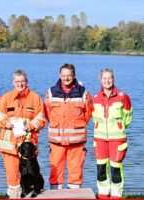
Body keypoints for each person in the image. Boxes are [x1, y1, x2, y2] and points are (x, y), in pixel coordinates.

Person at [0, 69, 46, 198]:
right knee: (12, 176)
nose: (20, 84)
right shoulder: (6, 98)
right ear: (13, 82)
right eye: (17, 81)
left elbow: (41, 119)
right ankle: (14, 196)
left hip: (28, 147)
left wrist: (30, 125)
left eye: (22, 81)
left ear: (27, 82)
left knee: (31, 175)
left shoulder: (35, 98)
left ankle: (31, 194)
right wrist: (5, 123)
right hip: (10, 145)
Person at [44, 63, 92, 189]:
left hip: (76, 140)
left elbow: (88, 113)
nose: (66, 78)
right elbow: (47, 113)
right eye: (64, 75)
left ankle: (74, 195)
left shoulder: (84, 93)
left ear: (74, 75)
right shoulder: (51, 92)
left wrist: (77, 125)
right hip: (56, 139)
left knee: (76, 170)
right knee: (55, 169)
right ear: (60, 75)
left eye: (69, 75)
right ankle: (55, 195)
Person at [92, 69, 133, 199]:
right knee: (101, 170)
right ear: (100, 80)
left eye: (109, 78)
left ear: (113, 79)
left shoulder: (123, 97)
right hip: (100, 139)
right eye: (104, 78)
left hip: (117, 139)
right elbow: (94, 119)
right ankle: (103, 195)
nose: (107, 81)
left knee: (116, 170)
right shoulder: (95, 98)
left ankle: (116, 196)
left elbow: (128, 118)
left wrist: (118, 126)